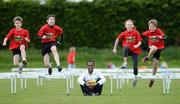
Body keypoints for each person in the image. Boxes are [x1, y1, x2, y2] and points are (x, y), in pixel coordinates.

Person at [112, 19, 142, 87]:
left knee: (135, 66)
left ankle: (135, 78)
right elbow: (117, 39)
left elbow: (140, 41)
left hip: (135, 51)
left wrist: (137, 45)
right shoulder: (124, 33)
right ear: (125, 26)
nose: (129, 26)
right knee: (125, 47)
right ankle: (125, 62)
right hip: (127, 50)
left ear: (133, 26)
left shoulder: (136, 33)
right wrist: (114, 48)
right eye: (128, 25)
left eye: (130, 25)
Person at [142, 19, 166, 87]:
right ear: (148, 27)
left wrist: (161, 37)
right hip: (150, 48)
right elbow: (143, 34)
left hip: (158, 50)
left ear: (156, 27)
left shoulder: (158, 31)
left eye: (153, 27)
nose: (151, 28)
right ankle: (148, 57)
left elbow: (164, 37)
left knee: (155, 67)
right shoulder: (148, 32)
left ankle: (152, 79)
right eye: (150, 27)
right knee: (154, 47)